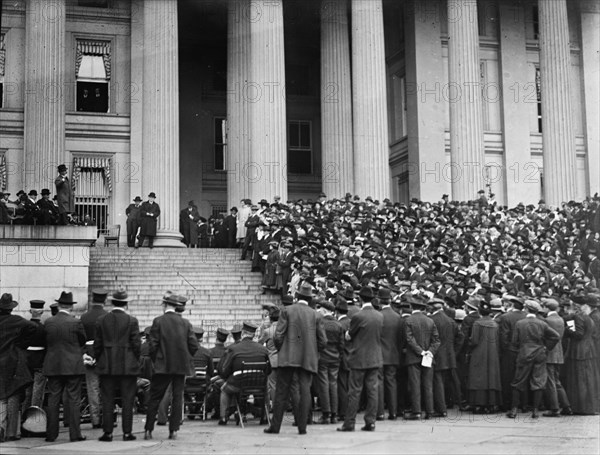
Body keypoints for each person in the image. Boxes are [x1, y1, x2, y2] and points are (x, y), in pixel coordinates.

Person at [264, 283, 327, 435]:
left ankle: (275, 426)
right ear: (310, 298)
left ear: (297, 296)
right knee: (305, 391)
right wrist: (313, 351)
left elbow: (278, 336)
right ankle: (302, 426)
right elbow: (323, 341)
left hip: (288, 356)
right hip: (307, 357)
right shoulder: (316, 315)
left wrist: (283, 350)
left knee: (281, 392)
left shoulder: (287, 311)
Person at [144, 293, 198, 440]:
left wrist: (157, 360)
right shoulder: (186, 323)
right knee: (177, 397)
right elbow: (194, 345)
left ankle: (148, 429)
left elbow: (153, 345)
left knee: (155, 397)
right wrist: (185, 356)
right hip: (180, 365)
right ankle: (173, 430)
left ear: (164, 305)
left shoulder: (158, 321)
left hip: (163, 365)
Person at [94, 289, 141, 442]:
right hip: (127, 365)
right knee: (128, 400)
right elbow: (136, 344)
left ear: (112, 302)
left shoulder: (102, 320)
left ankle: (108, 433)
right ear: (126, 303)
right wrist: (135, 359)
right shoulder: (132, 321)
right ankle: (127, 433)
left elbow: (97, 344)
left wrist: (99, 358)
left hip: (107, 364)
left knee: (107, 399)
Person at [337, 286, 384, 432]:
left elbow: (349, 335)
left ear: (360, 299)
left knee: (355, 391)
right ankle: (370, 421)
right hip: (375, 357)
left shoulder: (357, 316)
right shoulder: (379, 316)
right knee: (372, 390)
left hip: (359, 358)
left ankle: (349, 422)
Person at [43, 291, 87, 443]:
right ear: (71, 307)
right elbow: (82, 340)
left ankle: (51, 434)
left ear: (59, 305)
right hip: (72, 365)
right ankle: (75, 434)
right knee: (74, 399)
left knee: (53, 399)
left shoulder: (49, 322)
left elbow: (46, 341)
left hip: (54, 365)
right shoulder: (75, 322)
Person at [507, 300, 560, 419]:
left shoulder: (520, 323)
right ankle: (535, 411)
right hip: (539, 353)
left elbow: (514, 341)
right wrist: (547, 347)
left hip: (524, 353)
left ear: (526, 309)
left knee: (518, 381)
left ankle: (514, 410)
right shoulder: (542, 323)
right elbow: (555, 336)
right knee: (538, 382)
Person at [217, 322, 270, 425]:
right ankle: (264, 416)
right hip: (258, 383)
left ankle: (223, 417)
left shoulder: (233, 349)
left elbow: (225, 370)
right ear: (254, 335)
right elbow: (268, 370)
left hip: (237, 384)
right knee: (265, 389)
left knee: (224, 390)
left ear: (242, 333)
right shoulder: (263, 349)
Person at [0, 293, 36, 443]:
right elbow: (33, 327)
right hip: (12, 360)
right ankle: (11, 432)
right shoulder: (17, 321)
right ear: (11, 308)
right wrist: (21, 344)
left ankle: (1, 427)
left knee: (1, 397)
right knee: (13, 396)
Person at [403, 295, 440, 420]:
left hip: (414, 357)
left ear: (411, 307)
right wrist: (429, 352)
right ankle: (429, 411)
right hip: (429, 357)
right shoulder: (430, 320)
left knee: (415, 384)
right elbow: (436, 340)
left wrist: (420, 351)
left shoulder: (409, 320)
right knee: (428, 385)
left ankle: (417, 411)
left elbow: (409, 339)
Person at [563, 297, 599, 415]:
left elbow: (578, 334)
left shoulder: (578, 317)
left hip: (579, 351)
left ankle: (580, 406)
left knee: (579, 379)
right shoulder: (589, 318)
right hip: (589, 350)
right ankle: (589, 406)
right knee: (588, 379)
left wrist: (567, 331)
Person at [429, 297, 463, 417]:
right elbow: (460, 337)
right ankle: (460, 403)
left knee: (438, 382)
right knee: (452, 380)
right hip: (450, 355)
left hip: (437, 355)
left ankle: (441, 409)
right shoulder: (450, 320)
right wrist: (454, 351)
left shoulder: (431, 320)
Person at [80, 288, 108, 429]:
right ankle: (107, 417)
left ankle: (95, 419)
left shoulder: (84, 317)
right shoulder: (108, 316)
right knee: (106, 388)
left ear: (92, 299)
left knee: (92, 389)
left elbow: (80, 339)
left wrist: (85, 354)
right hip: (104, 356)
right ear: (105, 300)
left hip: (88, 353)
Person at [468, 300, 502, 413]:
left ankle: (478, 403)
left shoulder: (477, 323)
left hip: (479, 353)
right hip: (493, 353)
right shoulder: (495, 324)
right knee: (491, 377)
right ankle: (491, 403)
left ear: (479, 311)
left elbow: (474, 341)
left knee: (478, 377)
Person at [541, 298, 572, 417]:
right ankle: (566, 406)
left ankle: (554, 408)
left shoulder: (547, 320)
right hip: (559, 353)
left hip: (549, 353)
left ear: (547, 308)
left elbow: (546, 336)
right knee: (556, 381)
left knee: (550, 382)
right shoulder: (560, 319)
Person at [315, 299, 344, 425]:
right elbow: (341, 344)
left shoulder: (321, 323)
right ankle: (334, 414)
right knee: (333, 384)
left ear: (324, 310)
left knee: (324, 385)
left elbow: (319, 341)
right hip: (335, 357)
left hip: (323, 357)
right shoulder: (338, 325)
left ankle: (326, 413)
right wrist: (339, 355)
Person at [378, 288, 403, 420]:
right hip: (393, 354)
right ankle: (393, 412)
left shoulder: (379, 315)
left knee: (379, 383)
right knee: (392, 383)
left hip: (380, 354)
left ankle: (380, 412)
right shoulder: (397, 317)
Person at [22, 300, 47, 412]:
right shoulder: (43, 328)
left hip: (27, 360)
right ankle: (35, 416)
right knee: (38, 391)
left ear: (30, 311)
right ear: (41, 312)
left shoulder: (24, 327)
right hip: (40, 360)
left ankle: (24, 415)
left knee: (27, 391)